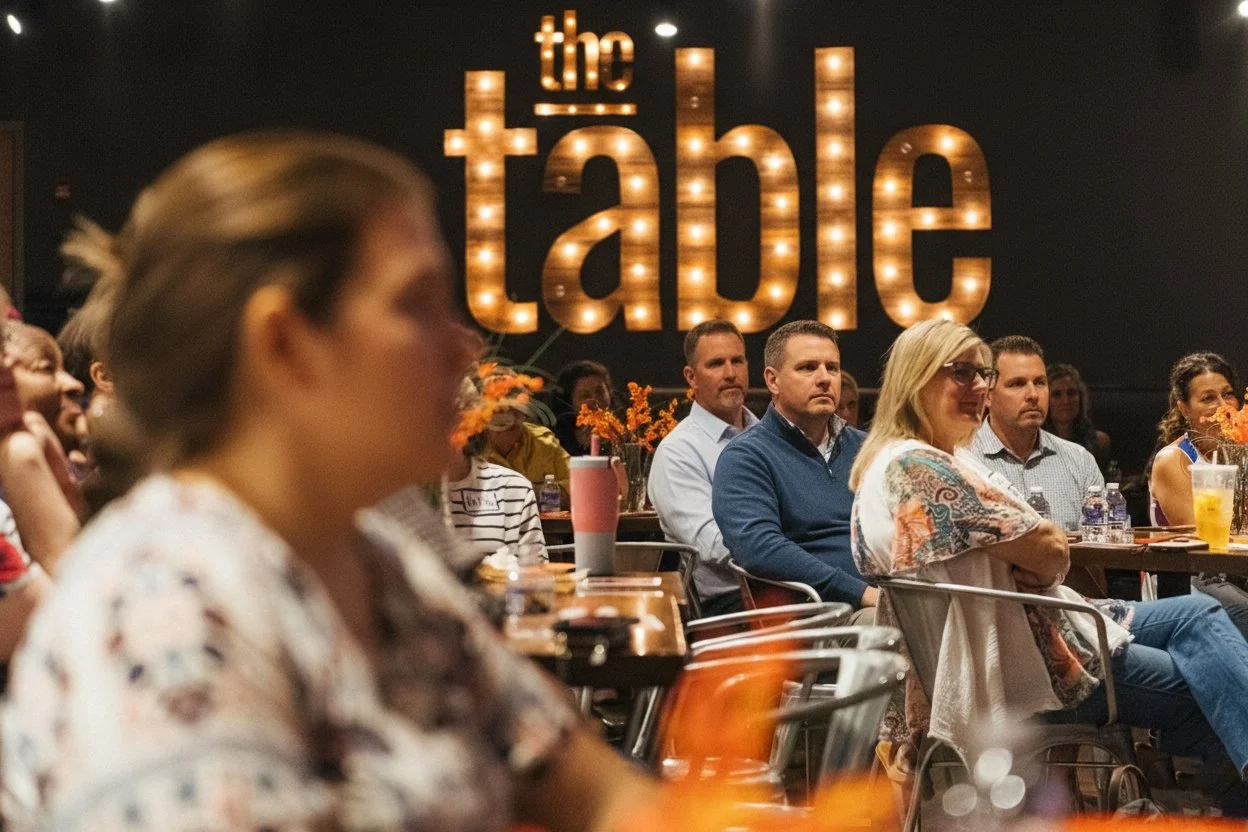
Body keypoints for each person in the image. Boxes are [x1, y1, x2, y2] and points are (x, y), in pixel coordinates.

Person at [1, 130, 652, 829]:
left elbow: (597, 791)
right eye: (416, 302)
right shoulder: (165, 611)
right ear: (283, 344)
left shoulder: (379, 562)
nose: (465, 346)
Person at [851, 319, 1248, 815]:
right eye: (963, 374)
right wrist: (1042, 555)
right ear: (916, 379)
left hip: (1037, 622)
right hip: (1028, 660)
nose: (980, 387)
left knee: (1202, 618)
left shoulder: (904, 459)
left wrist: (1041, 554)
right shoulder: (919, 468)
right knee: (1214, 681)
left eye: (983, 375)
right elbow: (1047, 546)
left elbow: (1042, 545)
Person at [713, 320, 874, 617]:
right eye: (808, 368)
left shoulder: (867, 448)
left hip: (888, 594)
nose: (824, 378)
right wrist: (861, 592)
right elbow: (759, 549)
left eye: (832, 368)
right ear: (773, 381)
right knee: (893, 629)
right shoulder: (745, 456)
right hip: (815, 613)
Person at [648, 319, 756, 617]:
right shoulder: (678, 451)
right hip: (733, 604)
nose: (731, 373)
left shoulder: (773, 436)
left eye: (738, 361)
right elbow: (714, 546)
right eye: (716, 364)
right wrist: (796, 550)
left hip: (799, 584)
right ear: (691, 377)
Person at [970, 336, 1103, 531]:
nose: (1033, 394)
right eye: (1017, 384)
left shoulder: (1080, 461)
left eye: (1040, 382)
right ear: (987, 395)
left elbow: (1099, 548)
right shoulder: (963, 459)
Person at [1150, 352, 1239, 527]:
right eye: (1208, 398)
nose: (1223, 406)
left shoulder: (1242, 450)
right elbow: (1205, 535)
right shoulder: (1172, 459)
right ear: (1185, 410)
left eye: (1228, 394)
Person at [480, 369, 572, 504]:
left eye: (516, 402)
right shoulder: (469, 448)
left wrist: (534, 494)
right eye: (499, 406)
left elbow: (579, 486)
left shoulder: (544, 443)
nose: (509, 411)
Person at [1044, 363, 1111, 471]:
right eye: (1056, 394)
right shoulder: (1033, 443)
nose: (1065, 401)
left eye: (1071, 393)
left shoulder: (1100, 443)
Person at [552, 359, 613, 456]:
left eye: (600, 392)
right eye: (585, 396)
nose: (595, 400)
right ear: (570, 400)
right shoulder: (555, 441)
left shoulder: (625, 435)